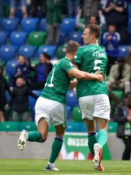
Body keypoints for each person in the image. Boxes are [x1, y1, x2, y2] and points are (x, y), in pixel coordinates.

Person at [18, 40, 103, 171]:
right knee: (59, 134)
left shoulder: (57, 64)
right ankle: (50, 164)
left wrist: (79, 84)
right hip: (55, 101)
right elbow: (79, 74)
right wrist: (95, 76)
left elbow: (67, 84)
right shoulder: (66, 62)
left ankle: (26, 135)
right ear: (74, 52)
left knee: (42, 136)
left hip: (41, 101)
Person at [74, 24, 110, 171]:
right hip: (101, 93)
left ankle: (98, 163)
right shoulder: (103, 53)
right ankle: (99, 146)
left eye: (85, 34)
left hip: (85, 95)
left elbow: (74, 72)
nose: (82, 36)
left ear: (93, 36)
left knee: (90, 130)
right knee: (103, 128)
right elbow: (104, 76)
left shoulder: (81, 51)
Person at [114, 91, 131, 161]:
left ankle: (126, 161)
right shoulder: (120, 107)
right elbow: (116, 118)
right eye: (128, 100)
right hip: (124, 130)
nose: (130, 101)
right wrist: (126, 119)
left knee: (130, 147)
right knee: (128, 146)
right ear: (124, 99)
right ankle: (124, 160)